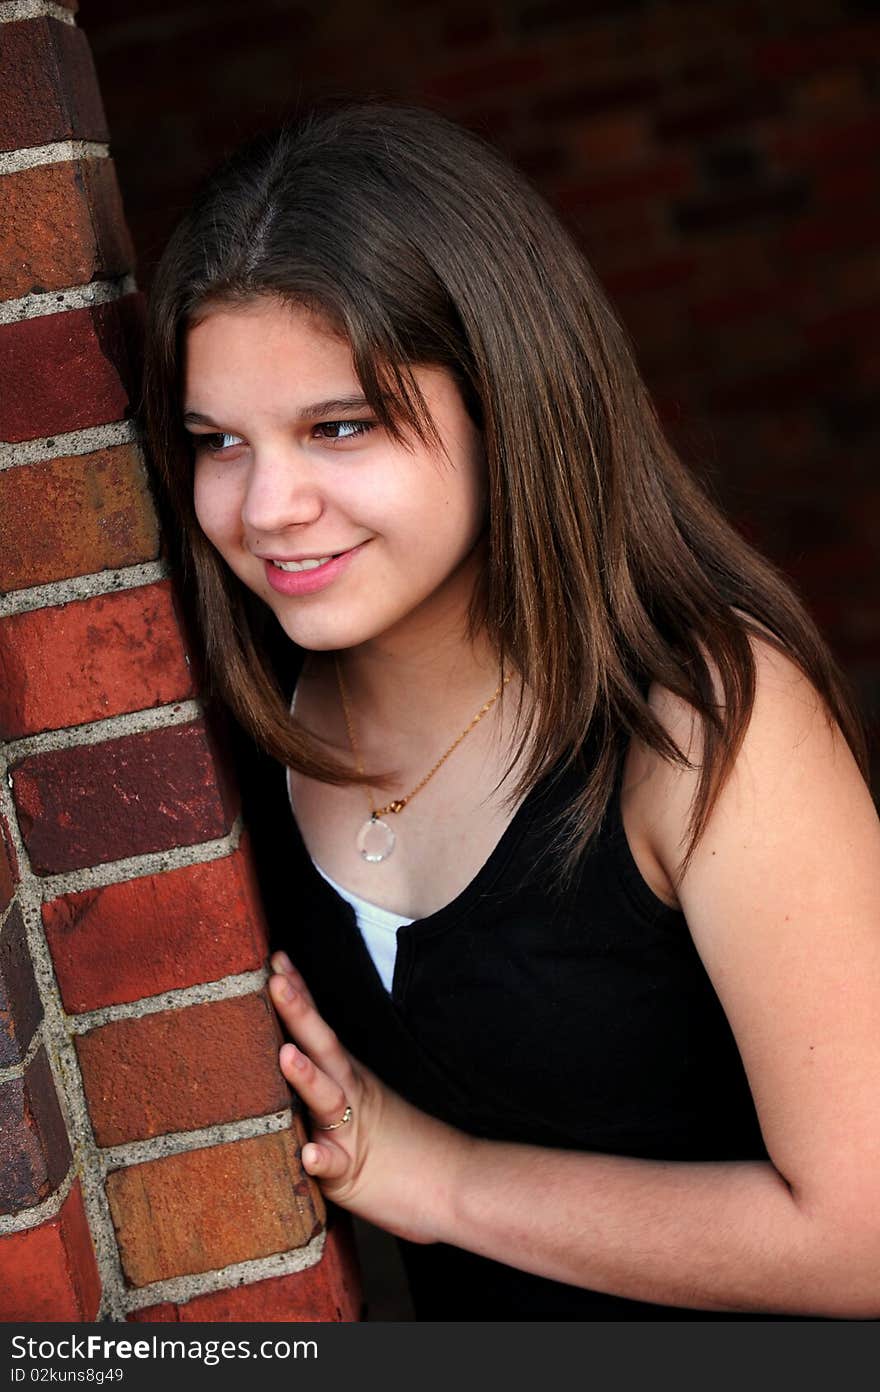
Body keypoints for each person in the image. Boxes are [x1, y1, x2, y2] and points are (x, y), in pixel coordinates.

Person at [142, 102, 880, 1320]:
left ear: (509, 400)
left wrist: (441, 1181)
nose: (267, 506)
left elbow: (865, 1237)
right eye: (218, 441)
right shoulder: (220, 725)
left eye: (340, 427)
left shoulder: (698, 720)